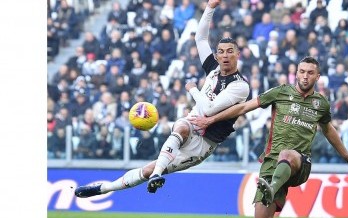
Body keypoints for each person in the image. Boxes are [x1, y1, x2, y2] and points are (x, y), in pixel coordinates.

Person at [188, 56, 348, 218]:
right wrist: (210, 120)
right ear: (296, 73)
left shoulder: (320, 104)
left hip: (299, 164)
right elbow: (244, 107)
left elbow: (328, 130)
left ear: (317, 76)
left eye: (310, 73)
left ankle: (272, 188)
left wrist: (345, 155)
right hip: (270, 165)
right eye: (302, 71)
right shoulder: (280, 93)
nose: (305, 76)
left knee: (289, 154)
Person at [74, 0, 250, 197]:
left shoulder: (240, 86)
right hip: (191, 123)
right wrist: (209, 8)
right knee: (181, 126)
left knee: (148, 169)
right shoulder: (213, 69)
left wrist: (192, 89)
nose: (225, 55)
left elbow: (208, 109)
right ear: (216, 56)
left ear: (238, 54)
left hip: (204, 143)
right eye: (221, 51)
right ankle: (121, 184)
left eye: (230, 52)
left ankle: (110, 186)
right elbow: (200, 39)